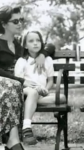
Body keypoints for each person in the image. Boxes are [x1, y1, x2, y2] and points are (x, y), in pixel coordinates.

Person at [0, 5, 55, 150]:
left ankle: (12, 139)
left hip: (17, 87)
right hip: (5, 83)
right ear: (4, 24)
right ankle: (13, 140)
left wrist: (43, 54)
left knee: (18, 89)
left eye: (21, 20)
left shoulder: (19, 44)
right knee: (13, 86)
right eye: (15, 21)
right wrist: (23, 81)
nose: (20, 24)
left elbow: (50, 45)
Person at [14, 30, 66, 145]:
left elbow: (51, 81)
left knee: (62, 98)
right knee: (33, 93)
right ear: (25, 45)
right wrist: (35, 89)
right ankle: (26, 128)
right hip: (25, 91)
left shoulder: (47, 60)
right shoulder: (22, 61)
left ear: (42, 43)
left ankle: (33, 102)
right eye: (31, 41)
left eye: (38, 40)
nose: (35, 43)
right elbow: (18, 82)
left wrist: (46, 89)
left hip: (41, 93)